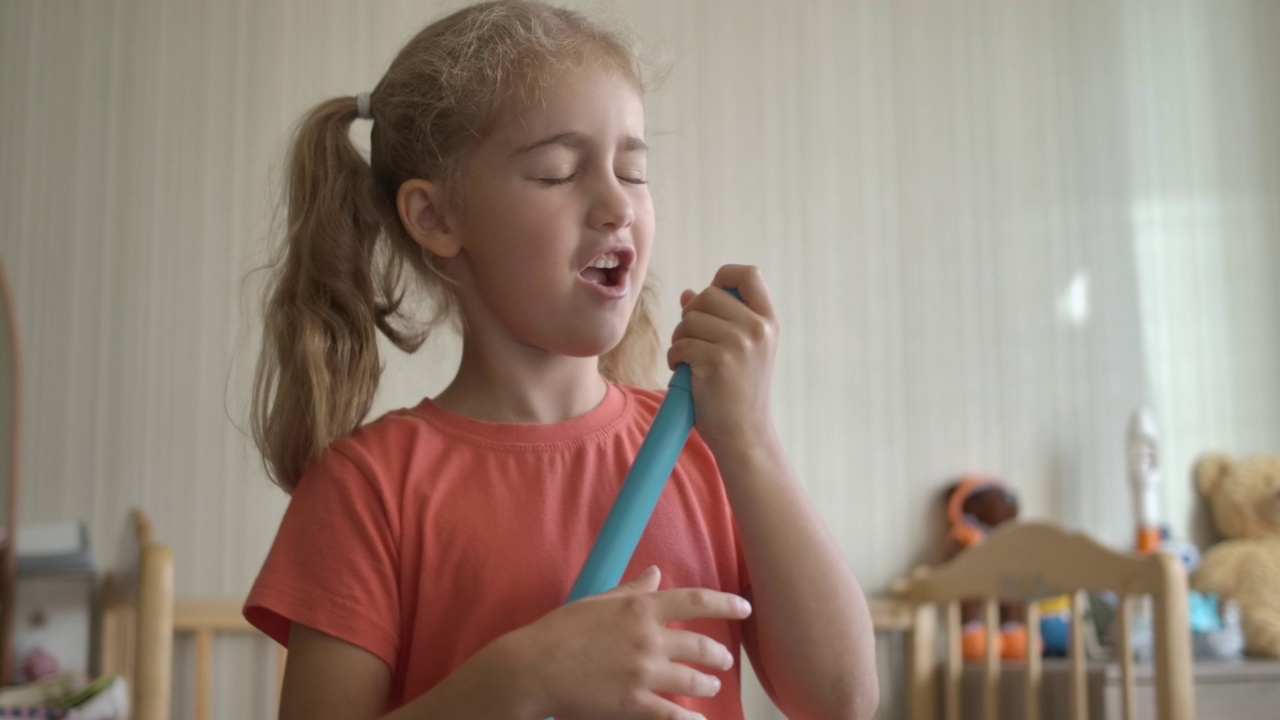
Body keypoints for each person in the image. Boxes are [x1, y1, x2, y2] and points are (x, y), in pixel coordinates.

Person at [243, 2, 876, 718]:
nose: (616, 205)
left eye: (633, 172)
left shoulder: (708, 450)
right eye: (555, 172)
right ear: (436, 218)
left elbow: (843, 700)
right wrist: (517, 679)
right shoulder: (367, 488)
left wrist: (753, 440)